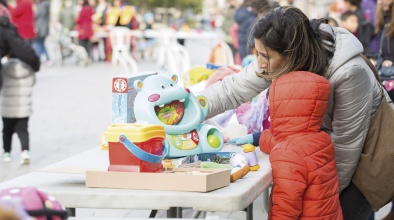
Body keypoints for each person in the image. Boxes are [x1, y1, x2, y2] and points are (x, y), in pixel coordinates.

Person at [200, 6, 390, 219]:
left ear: (291, 54)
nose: (260, 63)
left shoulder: (350, 73)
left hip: (364, 156)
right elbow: (232, 89)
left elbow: (346, 150)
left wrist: (321, 201)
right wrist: (194, 108)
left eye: (265, 56)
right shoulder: (277, 57)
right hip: (323, 154)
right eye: (258, 53)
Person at [256, 70, 343, 219]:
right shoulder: (322, 140)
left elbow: (284, 211)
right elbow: (293, 150)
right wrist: (261, 139)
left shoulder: (288, 153)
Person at [0, 1, 40, 163]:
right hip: (22, 107)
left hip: (8, 108)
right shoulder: (4, 27)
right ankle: (23, 151)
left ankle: (7, 152)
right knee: (22, 128)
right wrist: (34, 65)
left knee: (7, 130)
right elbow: (24, 50)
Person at [33, 0, 51, 65]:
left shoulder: (42, 6)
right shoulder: (45, 6)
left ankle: (37, 59)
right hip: (43, 28)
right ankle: (48, 59)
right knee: (41, 44)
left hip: (40, 29)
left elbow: (36, 16)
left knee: (39, 44)